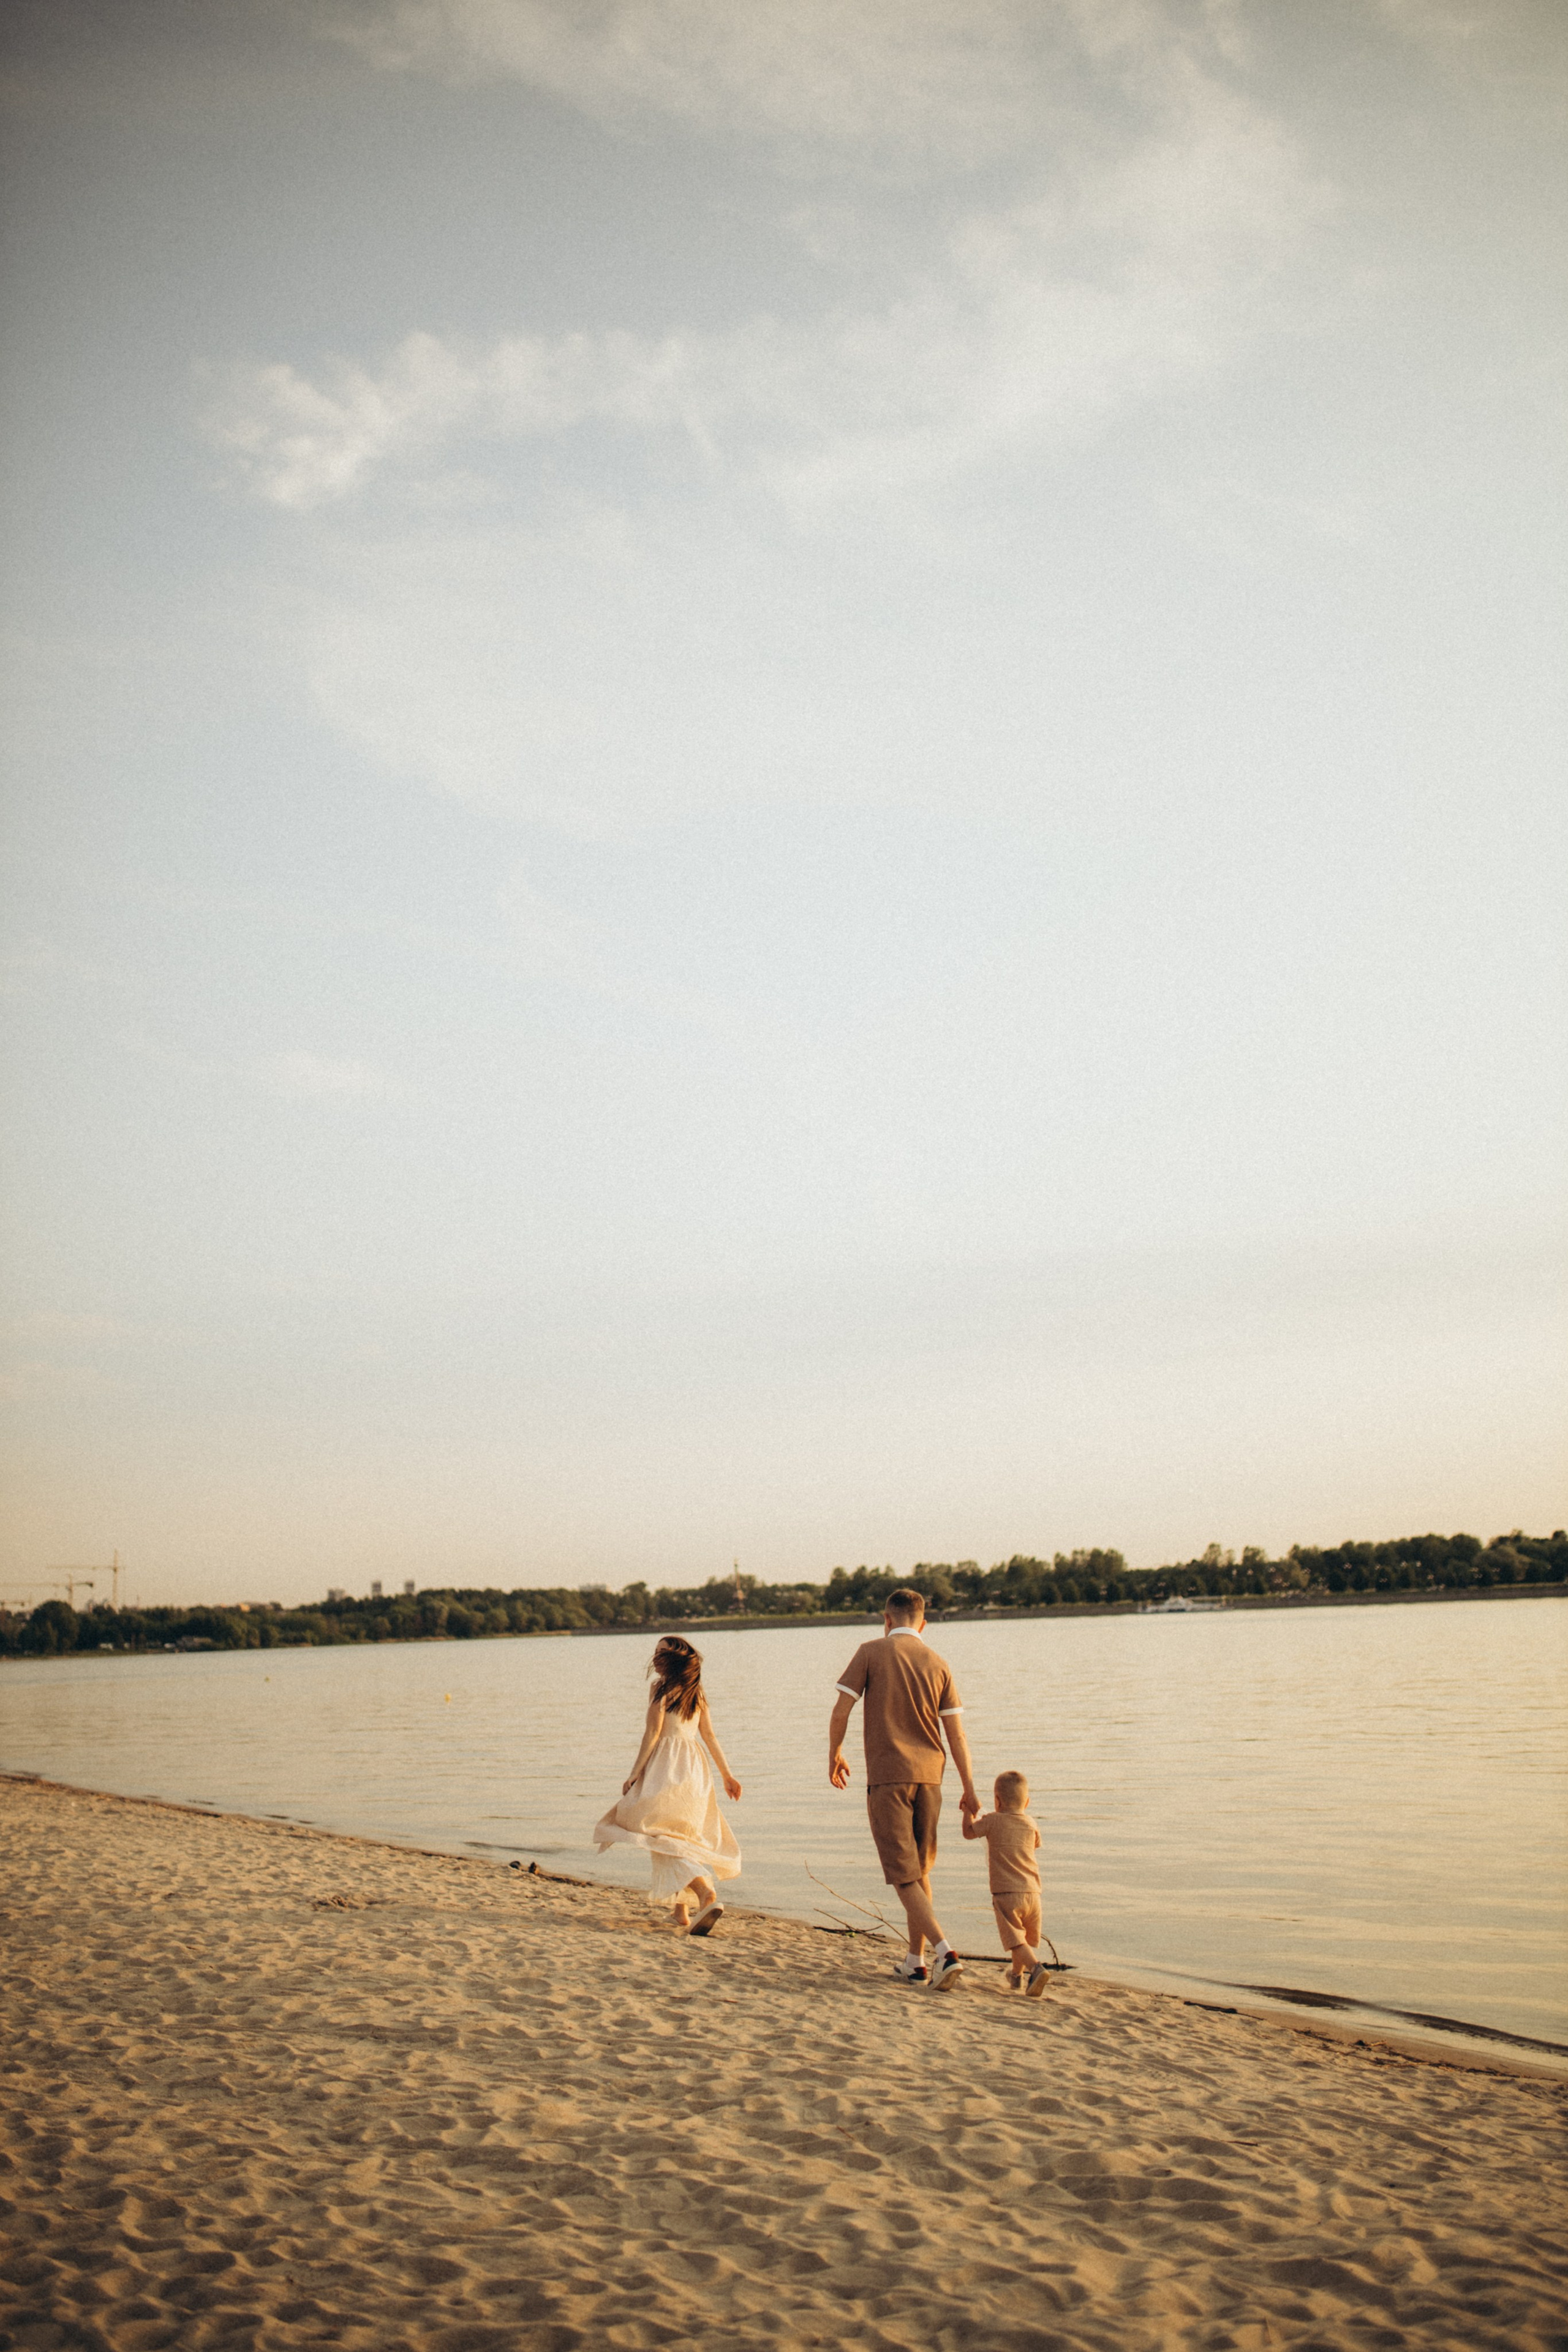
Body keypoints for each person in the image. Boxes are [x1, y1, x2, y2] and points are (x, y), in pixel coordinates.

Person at [828, 1586, 979, 1990]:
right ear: (924, 1624)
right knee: (919, 1869)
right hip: (932, 1775)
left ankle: (944, 1952)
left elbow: (842, 1708)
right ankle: (915, 1962)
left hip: (889, 1774)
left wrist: (835, 1753)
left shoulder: (871, 1652)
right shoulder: (938, 1663)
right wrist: (969, 1786)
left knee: (902, 1873)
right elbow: (957, 1736)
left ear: (886, 1619)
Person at [594, 1634, 742, 1934]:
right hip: (695, 1769)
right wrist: (727, 1775)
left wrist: (635, 1773)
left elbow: (653, 1733)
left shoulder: (660, 1688)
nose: (656, 1657)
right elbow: (709, 1736)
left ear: (673, 1660)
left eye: (662, 1653)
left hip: (666, 1765)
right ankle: (680, 1913)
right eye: (656, 1651)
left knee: (659, 1836)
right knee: (681, 1837)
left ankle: (704, 1893)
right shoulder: (696, 1691)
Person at [963, 1769, 1049, 1998]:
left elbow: (969, 1833)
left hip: (1006, 1893)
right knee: (1022, 1937)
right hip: (1033, 1893)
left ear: (997, 1801)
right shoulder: (1032, 1824)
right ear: (1027, 1802)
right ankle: (1016, 1976)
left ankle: (1036, 1969)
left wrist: (967, 1812)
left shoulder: (992, 1821)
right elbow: (1035, 1846)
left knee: (1015, 1940)